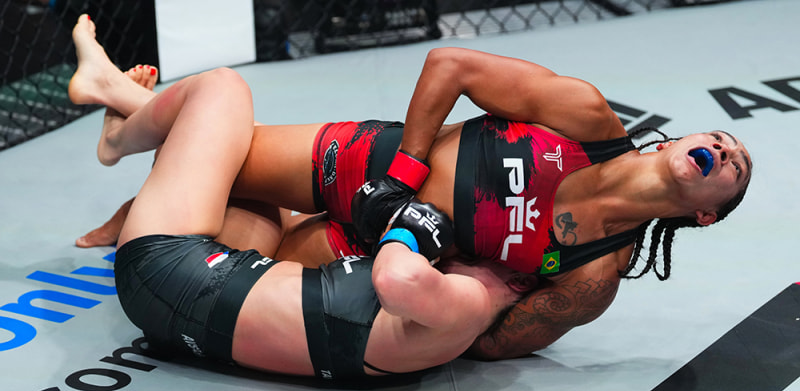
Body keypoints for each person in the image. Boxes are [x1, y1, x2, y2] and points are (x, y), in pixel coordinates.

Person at [73, 17, 753, 361]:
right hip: (368, 164)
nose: (722, 150)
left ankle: (132, 182)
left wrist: (437, 270)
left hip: (377, 250)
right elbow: (449, 63)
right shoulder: (585, 119)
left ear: (707, 215)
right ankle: (117, 112)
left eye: (735, 167)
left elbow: (489, 343)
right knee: (220, 144)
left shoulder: (592, 277)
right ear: (674, 141)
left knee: (246, 250)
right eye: (720, 140)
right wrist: (402, 177)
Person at [68, 14, 524, 380]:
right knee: (242, 162)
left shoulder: (469, 304)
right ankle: (132, 171)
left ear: (517, 284)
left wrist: (409, 231)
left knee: (221, 87)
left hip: (163, 267)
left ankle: (115, 138)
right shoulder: (433, 338)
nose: (484, 242)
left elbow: (396, 279)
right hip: (179, 314)